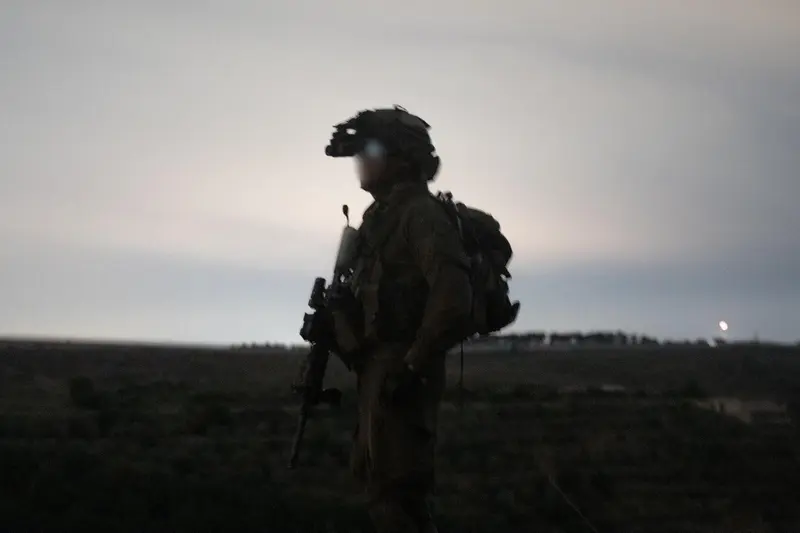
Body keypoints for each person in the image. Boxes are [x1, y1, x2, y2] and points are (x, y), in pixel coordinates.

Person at [328, 107, 474, 533]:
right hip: (380, 373)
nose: (362, 159)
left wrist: (412, 365)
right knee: (377, 488)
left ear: (402, 158)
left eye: (372, 149)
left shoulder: (419, 215)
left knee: (398, 498)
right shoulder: (379, 220)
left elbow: (453, 297)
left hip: (403, 374)